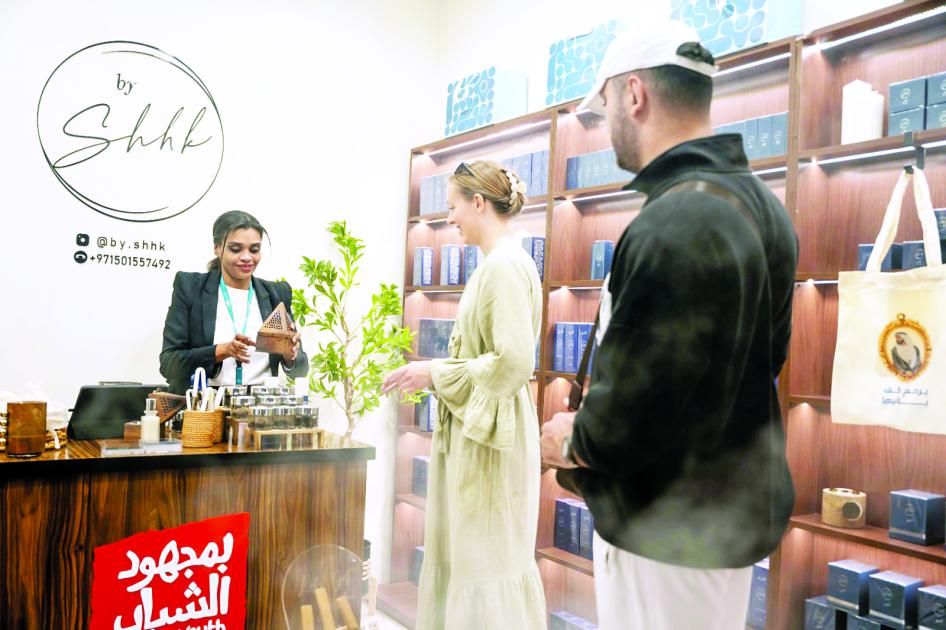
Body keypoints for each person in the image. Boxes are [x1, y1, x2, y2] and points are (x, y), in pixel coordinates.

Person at [539, 19, 799, 630]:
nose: (607, 124)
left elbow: (636, 409)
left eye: (606, 105)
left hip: (664, 533)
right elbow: (761, 362)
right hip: (717, 521)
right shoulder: (764, 209)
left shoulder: (677, 220)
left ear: (634, 94)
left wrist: (571, 441)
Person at [382, 161, 546, 630]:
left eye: (453, 205)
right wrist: (435, 374)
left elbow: (514, 361)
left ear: (478, 203)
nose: (449, 216)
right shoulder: (498, 263)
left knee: (486, 559)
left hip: (491, 441)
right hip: (482, 431)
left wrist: (434, 372)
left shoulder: (504, 266)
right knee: (475, 556)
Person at [160, 210, 309, 394]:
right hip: (207, 403)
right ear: (217, 248)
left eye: (254, 249)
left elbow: (301, 370)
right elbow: (169, 363)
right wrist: (221, 351)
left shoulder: (276, 293)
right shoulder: (190, 288)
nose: (247, 257)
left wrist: (290, 355)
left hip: (262, 403)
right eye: (236, 249)